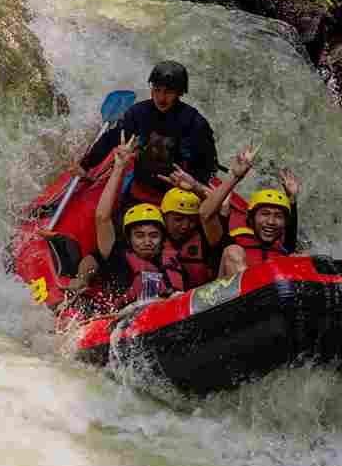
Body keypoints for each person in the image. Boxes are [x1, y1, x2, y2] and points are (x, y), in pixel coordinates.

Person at [77, 60, 219, 208]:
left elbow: (209, 166)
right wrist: (86, 164)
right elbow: (112, 138)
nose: (161, 98)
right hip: (140, 188)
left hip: (178, 195)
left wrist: (196, 186)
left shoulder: (195, 123)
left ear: (180, 93)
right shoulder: (139, 112)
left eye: (168, 92)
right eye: (157, 90)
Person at [74, 132, 188, 314]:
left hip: (170, 311)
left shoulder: (170, 254)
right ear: (129, 238)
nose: (147, 241)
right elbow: (102, 217)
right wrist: (119, 167)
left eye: (154, 235)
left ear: (162, 238)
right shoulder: (118, 256)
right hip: (123, 318)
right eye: (139, 236)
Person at [199, 145, 301, 279]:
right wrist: (235, 177)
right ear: (251, 218)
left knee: (298, 258)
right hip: (236, 290)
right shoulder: (229, 242)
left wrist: (292, 200)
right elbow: (205, 214)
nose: (271, 222)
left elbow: (291, 235)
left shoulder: (284, 249)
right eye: (265, 214)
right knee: (233, 252)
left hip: (273, 291)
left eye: (278, 216)